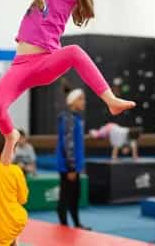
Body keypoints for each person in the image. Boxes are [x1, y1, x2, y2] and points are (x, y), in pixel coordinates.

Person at [0, 0, 136, 165]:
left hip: (45, 61)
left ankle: (110, 99)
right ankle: (10, 135)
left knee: (75, 51)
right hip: (20, 65)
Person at [56, 88, 89, 230]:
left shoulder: (76, 118)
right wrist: (71, 167)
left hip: (73, 165)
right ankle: (64, 224)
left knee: (75, 195)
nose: (84, 102)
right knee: (67, 195)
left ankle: (76, 223)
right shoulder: (69, 118)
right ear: (72, 101)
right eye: (81, 99)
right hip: (68, 166)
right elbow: (68, 144)